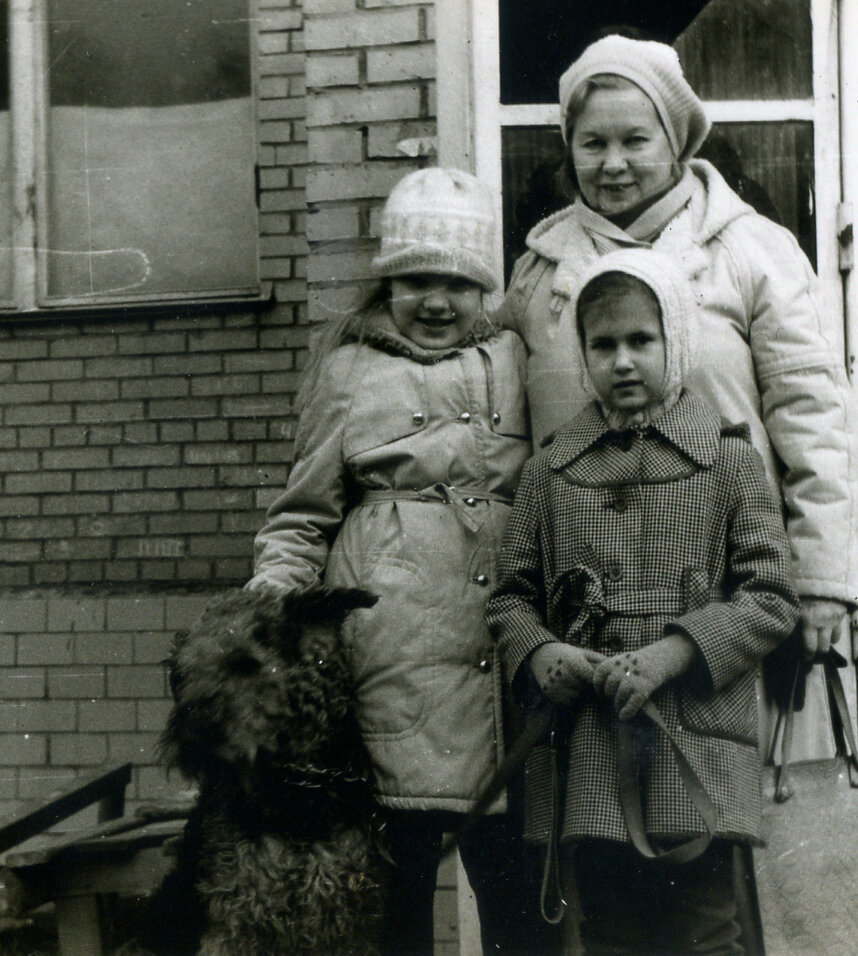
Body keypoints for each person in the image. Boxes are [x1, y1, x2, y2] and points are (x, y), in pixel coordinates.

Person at [494, 34, 855, 724]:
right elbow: (510, 444)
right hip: (590, 617)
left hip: (726, 597)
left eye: (636, 139)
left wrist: (821, 582)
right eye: (592, 143)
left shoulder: (751, 251)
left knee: (723, 804)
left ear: (678, 139)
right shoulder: (539, 272)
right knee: (604, 810)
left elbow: (813, 417)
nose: (614, 164)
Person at [247, 167, 551, 955]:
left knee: (515, 875)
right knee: (396, 885)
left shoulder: (518, 359)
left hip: (501, 645)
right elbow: (303, 512)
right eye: (417, 280)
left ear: (484, 286)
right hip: (391, 653)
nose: (438, 302)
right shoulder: (348, 368)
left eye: (457, 282)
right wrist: (274, 600)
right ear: (389, 280)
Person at [487, 248, 800, 955]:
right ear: (584, 355)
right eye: (603, 345)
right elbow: (511, 599)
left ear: (677, 342)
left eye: (641, 341)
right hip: (589, 735)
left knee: (705, 926)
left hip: (693, 724)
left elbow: (772, 595)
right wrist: (544, 653)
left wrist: (674, 652)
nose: (622, 361)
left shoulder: (728, 461)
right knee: (610, 929)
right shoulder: (551, 468)